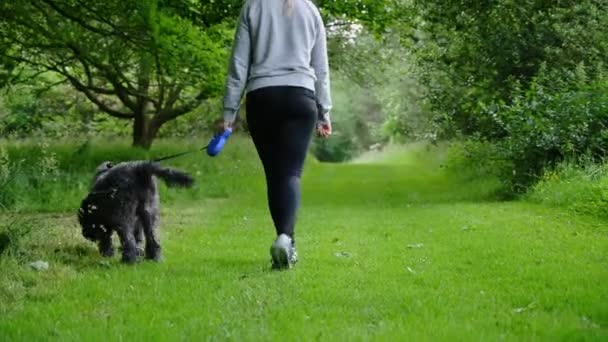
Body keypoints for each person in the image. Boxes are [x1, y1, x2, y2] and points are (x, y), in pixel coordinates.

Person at [220, 0, 332, 269]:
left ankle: (285, 240)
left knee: (275, 175)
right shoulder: (310, 10)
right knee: (290, 173)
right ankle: (285, 239)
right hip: (300, 96)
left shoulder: (253, 7)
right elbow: (321, 67)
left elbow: (239, 64)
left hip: (263, 97)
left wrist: (228, 113)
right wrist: (325, 111)